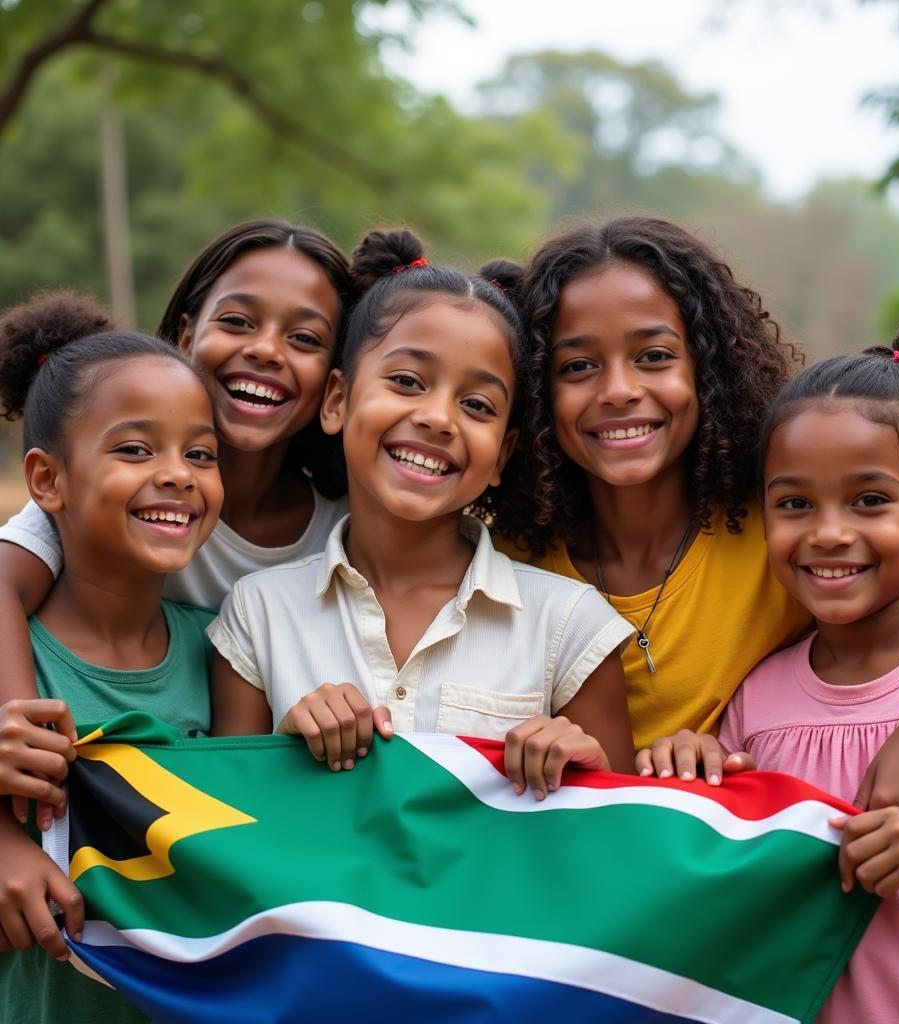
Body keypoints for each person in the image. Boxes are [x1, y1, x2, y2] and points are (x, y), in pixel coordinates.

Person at [494, 215, 899, 820]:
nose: (618, 390)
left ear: (707, 369)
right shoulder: (513, 560)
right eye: (578, 366)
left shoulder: (786, 533)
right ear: (536, 391)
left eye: (655, 356)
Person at [643, 326, 899, 1021]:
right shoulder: (755, 701)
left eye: (869, 501)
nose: (827, 532)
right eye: (794, 504)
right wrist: (695, 766)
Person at [209, 228, 636, 797]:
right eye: (407, 381)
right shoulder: (257, 613)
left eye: (476, 405)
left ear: (502, 456)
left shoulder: (570, 626)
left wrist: (583, 765)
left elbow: (624, 832)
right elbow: (221, 820)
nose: (438, 418)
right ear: (337, 401)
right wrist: (280, 754)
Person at [0, 220, 353, 827]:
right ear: (188, 333)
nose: (266, 349)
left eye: (303, 337)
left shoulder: (342, 535)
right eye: (238, 321)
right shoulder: (87, 494)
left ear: (335, 382)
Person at [0, 293, 225, 1022]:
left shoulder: (227, 649)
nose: (178, 473)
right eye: (135, 449)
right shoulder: (14, 662)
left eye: (200, 453)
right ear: (47, 481)